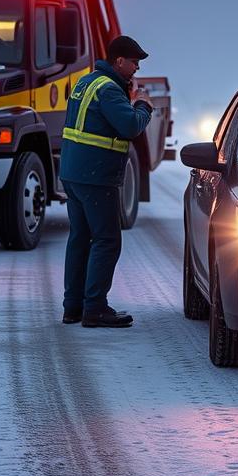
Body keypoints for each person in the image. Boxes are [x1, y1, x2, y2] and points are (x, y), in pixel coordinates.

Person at [60, 35, 153, 327]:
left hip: (73, 174)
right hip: (96, 176)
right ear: (119, 61)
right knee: (107, 240)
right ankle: (95, 308)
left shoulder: (86, 82)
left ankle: (73, 307)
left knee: (79, 239)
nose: (137, 68)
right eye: (134, 62)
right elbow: (130, 126)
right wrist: (143, 106)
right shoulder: (110, 90)